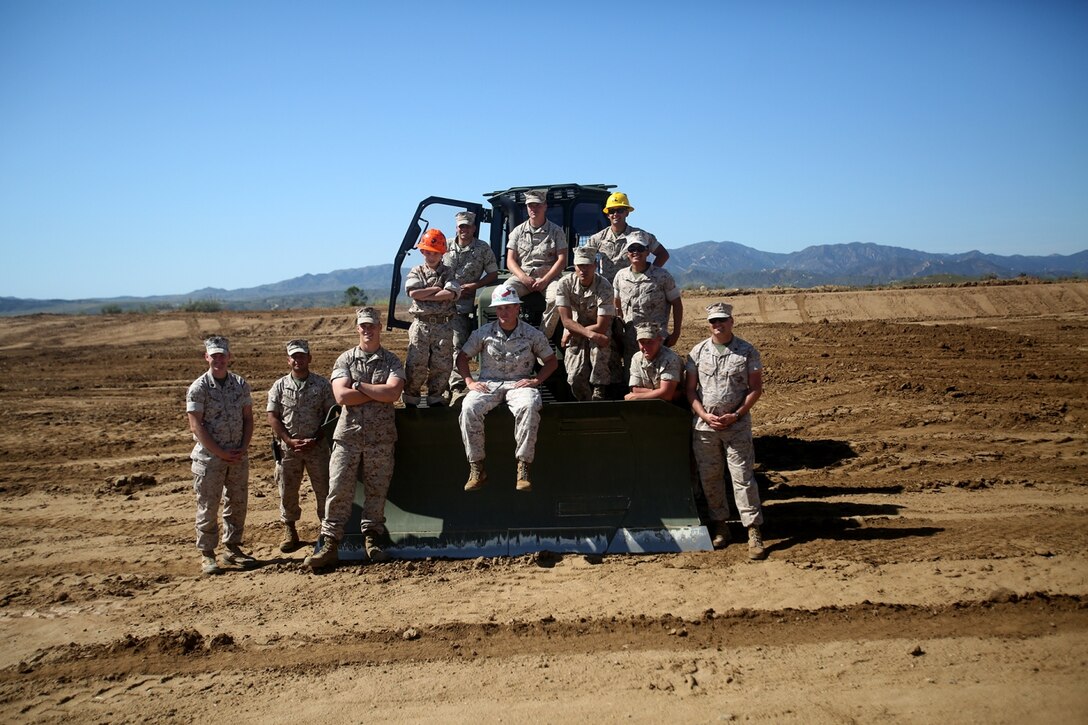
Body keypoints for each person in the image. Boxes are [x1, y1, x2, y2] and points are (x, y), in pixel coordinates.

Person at [305, 307, 405, 570]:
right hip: (348, 437)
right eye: (363, 326)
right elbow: (341, 397)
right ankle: (329, 544)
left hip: (381, 439)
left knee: (377, 491)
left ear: (380, 327)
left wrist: (359, 386)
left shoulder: (393, 361)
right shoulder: (345, 360)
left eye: (372, 325)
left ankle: (372, 541)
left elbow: (393, 394)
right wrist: (376, 391)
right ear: (357, 328)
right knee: (338, 490)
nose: (367, 330)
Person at [455, 285, 558, 492]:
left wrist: (536, 381)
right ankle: (477, 468)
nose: (504, 312)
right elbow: (462, 358)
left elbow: (551, 361)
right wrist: (469, 382)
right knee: (468, 408)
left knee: (529, 406)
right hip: (489, 383)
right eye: (500, 308)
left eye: (509, 307)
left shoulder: (531, 334)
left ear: (517, 308)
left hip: (519, 383)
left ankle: (523, 468)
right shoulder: (483, 333)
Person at [685, 302, 767, 560]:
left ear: (731, 321)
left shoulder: (747, 352)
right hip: (705, 427)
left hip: (737, 427)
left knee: (742, 477)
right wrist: (703, 414)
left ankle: (753, 530)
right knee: (710, 478)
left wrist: (737, 415)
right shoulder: (696, 352)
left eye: (722, 320)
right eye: (713, 321)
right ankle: (721, 526)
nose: (717, 325)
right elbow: (690, 390)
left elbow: (755, 389)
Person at [185, 336, 255, 575]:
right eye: (214, 355)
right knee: (208, 505)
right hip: (209, 459)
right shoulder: (199, 387)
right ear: (207, 357)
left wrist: (243, 447)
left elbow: (248, 417)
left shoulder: (240, 384)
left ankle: (233, 548)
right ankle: (207, 554)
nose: (219, 359)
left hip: (236, 456)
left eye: (222, 355)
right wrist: (221, 452)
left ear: (229, 356)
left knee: (237, 504)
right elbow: (196, 426)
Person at [266, 339, 336, 553]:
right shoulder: (279, 386)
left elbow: (331, 414)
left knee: (324, 490)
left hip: (317, 448)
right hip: (289, 450)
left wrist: (316, 438)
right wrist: (288, 440)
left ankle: (326, 532)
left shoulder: (322, 385)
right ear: (288, 360)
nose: (298, 360)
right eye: (294, 356)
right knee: (287, 490)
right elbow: (273, 416)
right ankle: (290, 530)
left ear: (309, 358)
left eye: (302, 355)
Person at [443, 210, 499, 394]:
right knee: (440, 346)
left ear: (474, 228)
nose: (464, 229)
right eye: (461, 226)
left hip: (463, 307)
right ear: (456, 228)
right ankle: (440, 385)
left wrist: (476, 285)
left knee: (459, 343)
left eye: (467, 226)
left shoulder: (483, 249)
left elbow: (493, 273)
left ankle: (457, 384)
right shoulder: (445, 246)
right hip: (441, 304)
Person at [403, 228, 460, 407]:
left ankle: (436, 398)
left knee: (441, 365)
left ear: (442, 253)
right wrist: (436, 289)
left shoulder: (449, 272)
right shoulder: (416, 271)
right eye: (428, 252)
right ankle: (411, 399)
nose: (431, 256)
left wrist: (425, 295)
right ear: (422, 251)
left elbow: (450, 294)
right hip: (421, 326)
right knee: (416, 364)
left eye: (435, 253)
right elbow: (413, 292)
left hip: (443, 326)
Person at [613, 234, 683, 373]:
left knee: (660, 376)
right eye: (632, 249)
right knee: (633, 379)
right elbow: (617, 303)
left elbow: (677, 304)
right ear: (627, 253)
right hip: (632, 340)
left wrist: (675, 333)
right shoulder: (620, 276)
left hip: (657, 340)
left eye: (640, 248)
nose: (636, 252)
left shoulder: (663, 276)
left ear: (647, 252)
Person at [505, 188, 567, 338]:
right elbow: (510, 260)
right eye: (530, 205)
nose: (534, 209)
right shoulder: (517, 232)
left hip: (549, 277)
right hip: (523, 276)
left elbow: (562, 260)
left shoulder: (557, 231)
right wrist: (523, 277)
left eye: (538, 205)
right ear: (527, 207)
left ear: (545, 206)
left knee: (557, 298)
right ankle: (516, 336)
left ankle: (541, 339)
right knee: (504, 293)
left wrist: (545, 280)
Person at [556, 246, 615, 401]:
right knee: (574, 376)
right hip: (576, 329)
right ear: (574, 266)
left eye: (587, 265)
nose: (584, 270)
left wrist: (577, 332)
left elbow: (602, 325)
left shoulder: (605, 287)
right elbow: (566, 321)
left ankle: (599, 393)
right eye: (580, 266)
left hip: (598, 328)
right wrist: (580, 332)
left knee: (599, 358)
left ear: (595, 265)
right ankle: (585, 402)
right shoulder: (564, 284)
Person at [586, 191, 670, 284]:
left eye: (620, 210)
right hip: (607, 290)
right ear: (607, 215)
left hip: (631, 288)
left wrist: (650, 274)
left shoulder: (640, 236)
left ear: (627, 213)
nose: (615, 214)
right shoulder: (597, 238)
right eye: (612, 211)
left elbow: (663, 254)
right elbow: (584, 258)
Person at [624, 322, 683, 402]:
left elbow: (667, 396)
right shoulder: (636, 358)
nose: (645, 347)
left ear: (659, 340)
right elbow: (635, 389)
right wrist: (659, 392)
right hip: (647, 405)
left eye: (650, 342)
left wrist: (638, 397)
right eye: (642, 342)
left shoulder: (670, 359)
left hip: (673, 406)